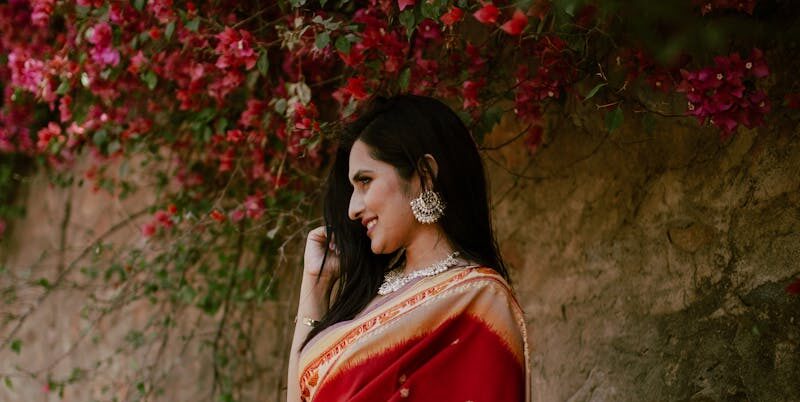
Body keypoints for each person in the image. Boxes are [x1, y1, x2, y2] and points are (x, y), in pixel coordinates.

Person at [287, 95, 529, 402]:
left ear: (424, 176)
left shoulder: (478, 301)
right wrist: (316, 283)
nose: (351, 208)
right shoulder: (370, 297)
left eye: (365, 181)